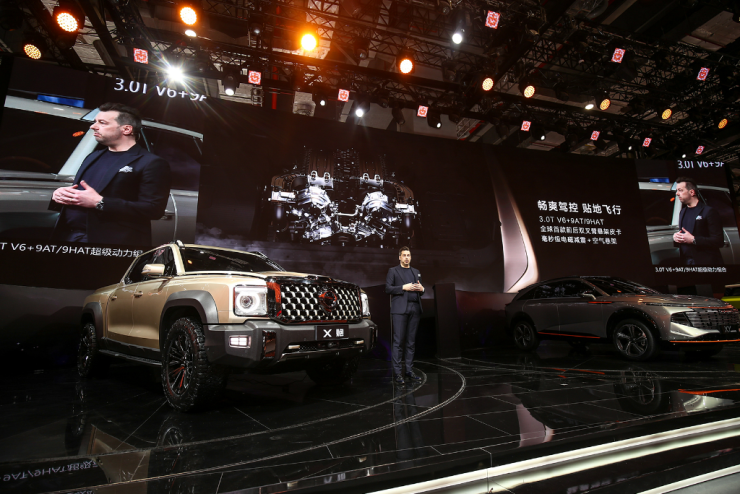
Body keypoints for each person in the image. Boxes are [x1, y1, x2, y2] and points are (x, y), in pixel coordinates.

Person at [50, 102, 171, 245]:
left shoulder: (151, 163)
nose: (93, 126)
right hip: (69, 237)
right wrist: (60, 195)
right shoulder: (93, 156)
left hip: (111, 243)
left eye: (102, 122)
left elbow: (154, 210)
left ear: (126, 129)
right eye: (95, 121)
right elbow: (80, 193)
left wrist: (100, 202)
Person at [385, 246, 424, 385]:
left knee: (411, 342)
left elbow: (420, 289)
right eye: (404, 255)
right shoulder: (393, 271)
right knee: (398, 342)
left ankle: (409, 370)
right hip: (400, 309)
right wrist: (403, 287)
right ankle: (397, 373)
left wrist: (422, 289)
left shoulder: (416, 272)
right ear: (399, 257)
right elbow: (388, 288)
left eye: (408, 255)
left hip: (415, 308)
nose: (407, 257)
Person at [672, 176, 724, 266]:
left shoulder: (708, 211)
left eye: (680, 190)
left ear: (692, 192)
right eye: (677, 190)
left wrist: (694, 240)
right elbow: (684, 235)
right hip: (686, 261)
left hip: (705, 262)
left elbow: (718, 241)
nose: (677, 193)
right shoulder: (683, 211)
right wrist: (677, 238)